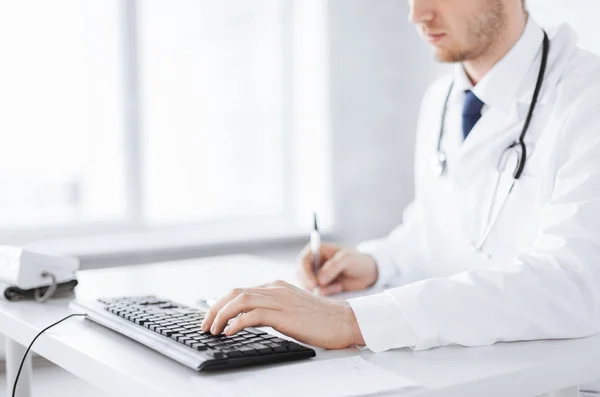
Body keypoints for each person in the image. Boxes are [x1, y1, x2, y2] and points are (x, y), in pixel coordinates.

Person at [201, 0, 600, 389]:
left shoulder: (587, 98)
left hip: (552, 380)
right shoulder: (441, 100)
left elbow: (572, 283)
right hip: (456, 369)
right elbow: (434, 231)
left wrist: (351, 321)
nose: (417, 15)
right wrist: (375, 262)